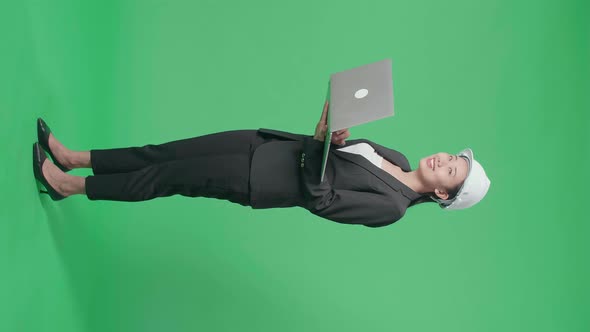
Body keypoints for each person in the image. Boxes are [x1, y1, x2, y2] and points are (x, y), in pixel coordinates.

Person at [32, 101, 491, 228]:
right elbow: (335, 158)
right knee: (164, 153)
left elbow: (321, 199)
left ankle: (68, 186)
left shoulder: (390, 208)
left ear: (442, 195)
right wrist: (333, 134)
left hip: (261, 179)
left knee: (165, 177)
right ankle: (75, 157)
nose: (444, 161)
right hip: (267, 144)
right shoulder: (398, 158)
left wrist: (318, 141)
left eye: (451, 171)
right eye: (452, 157)